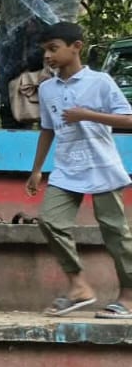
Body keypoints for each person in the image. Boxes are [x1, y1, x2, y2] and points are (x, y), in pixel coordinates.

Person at [26, 23, 132, 320]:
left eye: (53, 48)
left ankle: (128, 296)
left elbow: (128, 119)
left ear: (76, 47)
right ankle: (79, 286)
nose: (47, 55)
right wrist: (36, 170)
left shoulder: (100, 82)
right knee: (50, 220)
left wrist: (87, 115)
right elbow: (47, 129)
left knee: (115, 232)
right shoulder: (47, 88)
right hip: (66, 168)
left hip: (102, 165)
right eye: (44, 50)